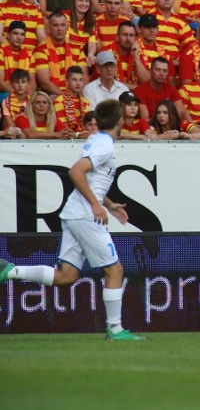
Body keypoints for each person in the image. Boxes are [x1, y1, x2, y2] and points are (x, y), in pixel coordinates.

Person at [1, 100, 143, 339]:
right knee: (115, 270)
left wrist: (108, 204)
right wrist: (97, 205)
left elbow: (91, 178)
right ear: (120, 121)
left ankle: (10, 271)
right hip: (85, 216)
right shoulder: (104, 144)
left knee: (67, 276)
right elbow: (76, 171)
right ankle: (115, 330)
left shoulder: (97, 140)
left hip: (74, 214)